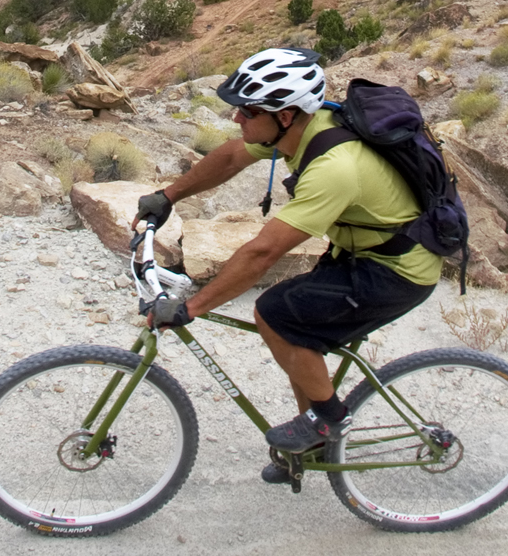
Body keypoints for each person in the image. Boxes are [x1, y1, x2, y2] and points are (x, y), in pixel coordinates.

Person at [135, 48, 439, 485]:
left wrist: (192, 307)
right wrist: (168, 196)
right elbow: (231, 156)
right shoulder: (297, 130)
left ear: (286, 115)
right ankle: (314, 435)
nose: (237, 118)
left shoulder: (335, 167)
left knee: (275, 313)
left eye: (248, 110)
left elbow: (263, 252)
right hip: (361, 252)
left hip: (398, 271)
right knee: (296, 321)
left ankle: (330, 420)